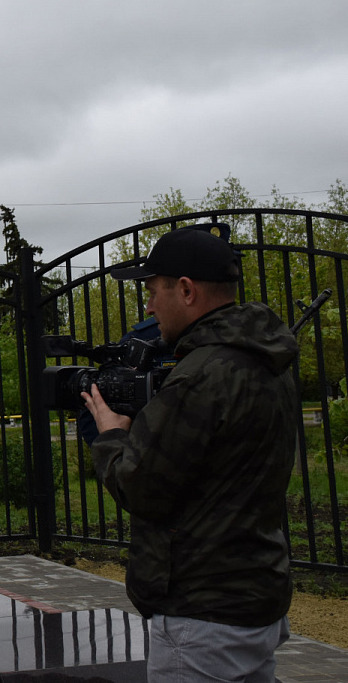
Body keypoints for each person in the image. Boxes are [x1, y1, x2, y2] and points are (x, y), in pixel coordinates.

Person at [81, 227, 298, 683]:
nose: (149, 306)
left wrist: (112, 436)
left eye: (153, 291)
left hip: (202, 613)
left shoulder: (201, 375)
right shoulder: (263, 360)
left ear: (185, 289)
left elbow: (140, 486)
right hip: (253, 593)